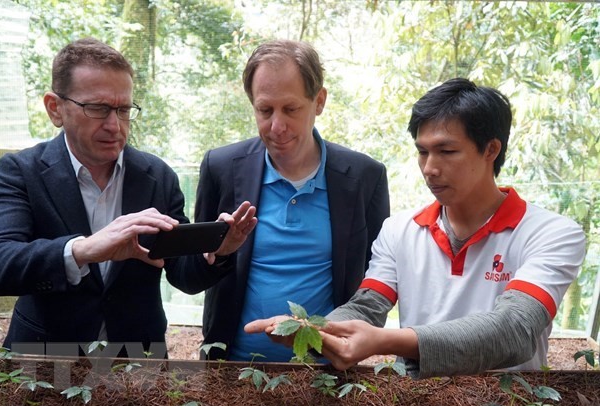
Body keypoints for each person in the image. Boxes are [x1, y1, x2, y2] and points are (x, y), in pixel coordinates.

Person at [246, 78, 586, 378]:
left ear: (491, 150)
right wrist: (315, 330)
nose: (430, 168)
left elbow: (514, 330)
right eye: (422, 152)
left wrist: (388, 341)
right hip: (413, 399)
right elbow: (367, 307)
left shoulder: (550, 234)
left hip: (505, 401)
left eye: (446, 151)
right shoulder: (400, 231)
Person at [0, 38, 257, 358]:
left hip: (138, 359)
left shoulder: (158, 176)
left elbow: (183, 274)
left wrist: (216, 252)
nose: (114, 125)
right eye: (97, 108)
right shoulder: (21, 171)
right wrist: (82, 250)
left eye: (123, 109)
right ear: (55, 108)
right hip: (45, 356)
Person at [185, 39, 390, 361]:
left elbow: (377, 280)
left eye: (291, 109)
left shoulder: (364, 177)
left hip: (329, 370)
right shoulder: (222, 168)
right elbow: (189, 277)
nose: (277, 126)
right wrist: (219, 253)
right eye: (265, 110)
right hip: (233, 367)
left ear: (319, 101)